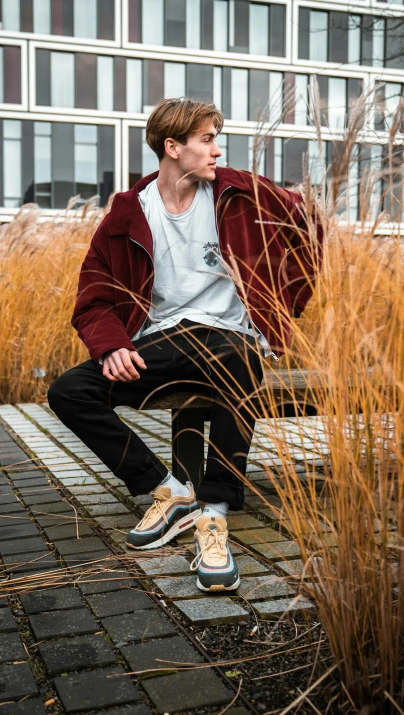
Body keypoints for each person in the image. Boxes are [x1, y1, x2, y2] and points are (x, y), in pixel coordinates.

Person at [47, 97, 322, 592]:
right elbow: (93, 296)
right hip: (161, 342)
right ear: (173, 147)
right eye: (207, 139)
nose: (218, 150)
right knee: (68, 391)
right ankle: (170, 490)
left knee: (240, 357)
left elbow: (309, 225)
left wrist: (283, 307)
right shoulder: (128, 214)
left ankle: (214, 514)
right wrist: (111, 346)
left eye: (217, 139)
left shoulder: (239, 192)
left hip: (229, 340)